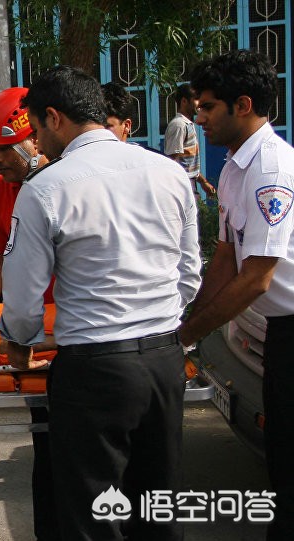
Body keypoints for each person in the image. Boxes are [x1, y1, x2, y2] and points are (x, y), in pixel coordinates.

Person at [0, 65, 201, 541]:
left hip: (95, 368)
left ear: (53, 117)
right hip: (163, 359)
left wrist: (19, 343)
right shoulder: (169, 173)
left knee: (94, 515)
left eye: (35, 129)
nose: (35, 143)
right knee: (158, 505)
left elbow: (24, 296)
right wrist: (161, 325)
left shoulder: (46, 188)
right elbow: (189, 273)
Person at [179, 49, 294, 541]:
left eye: (207, 107)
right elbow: (226, 259)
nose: (198, 117)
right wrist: (190, 320)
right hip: (270, 329)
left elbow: (256, 278)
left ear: (242, 105)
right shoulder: (231, 165)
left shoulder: (271, 167)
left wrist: (185, 335)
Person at [0, 87, 58, 541]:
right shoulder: (2, 192)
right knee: (46, 442)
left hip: (73, 332)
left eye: (3, 150)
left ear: (32, 140)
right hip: (32, 336)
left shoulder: (64, 184)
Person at [164, 83, 217, 199]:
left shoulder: (188, 124)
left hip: (190, 185)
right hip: (183, 187)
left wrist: (203, 182)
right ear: (184, 101)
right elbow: (172, 161)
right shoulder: (178, 125)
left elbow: (187, 164)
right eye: (196, 99)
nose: (199, 103)